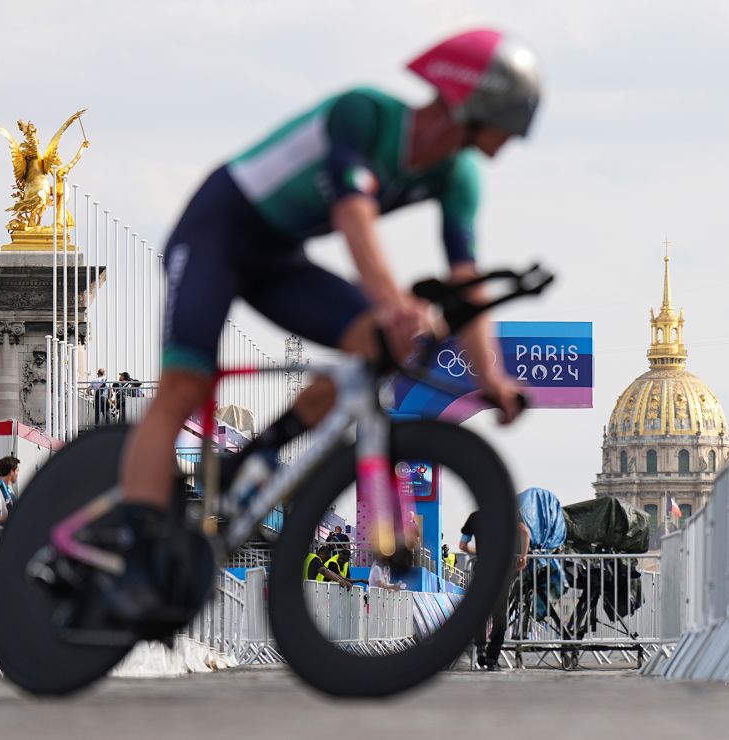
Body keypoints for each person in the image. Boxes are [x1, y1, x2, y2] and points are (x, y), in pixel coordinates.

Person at [107, 28, 542, 626]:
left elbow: (467, 284)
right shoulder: (364, 115)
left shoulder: (457, 178)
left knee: (377, 347)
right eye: (505, 127)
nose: (502, 147)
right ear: (473, 105)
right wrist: (393, 302)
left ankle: (258, 454)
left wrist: (491, 377)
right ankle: (131, 556)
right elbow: (353, 215)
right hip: (216, 233)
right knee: (184, 386)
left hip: (278, 258)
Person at [460, 510, 530, 670]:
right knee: (499, 613)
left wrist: (480, 552)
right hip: (503, 569)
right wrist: (523, 556)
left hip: (483, 568)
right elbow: (525, 532)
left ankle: (480, 649)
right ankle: (492, 658)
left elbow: (462, 545)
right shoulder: (509, 512)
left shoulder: (474, 517)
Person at [0, 455, 20, 524]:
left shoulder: (10, 490)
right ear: (11, 472)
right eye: (17, 471)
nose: (18, 474)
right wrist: (7, 523)